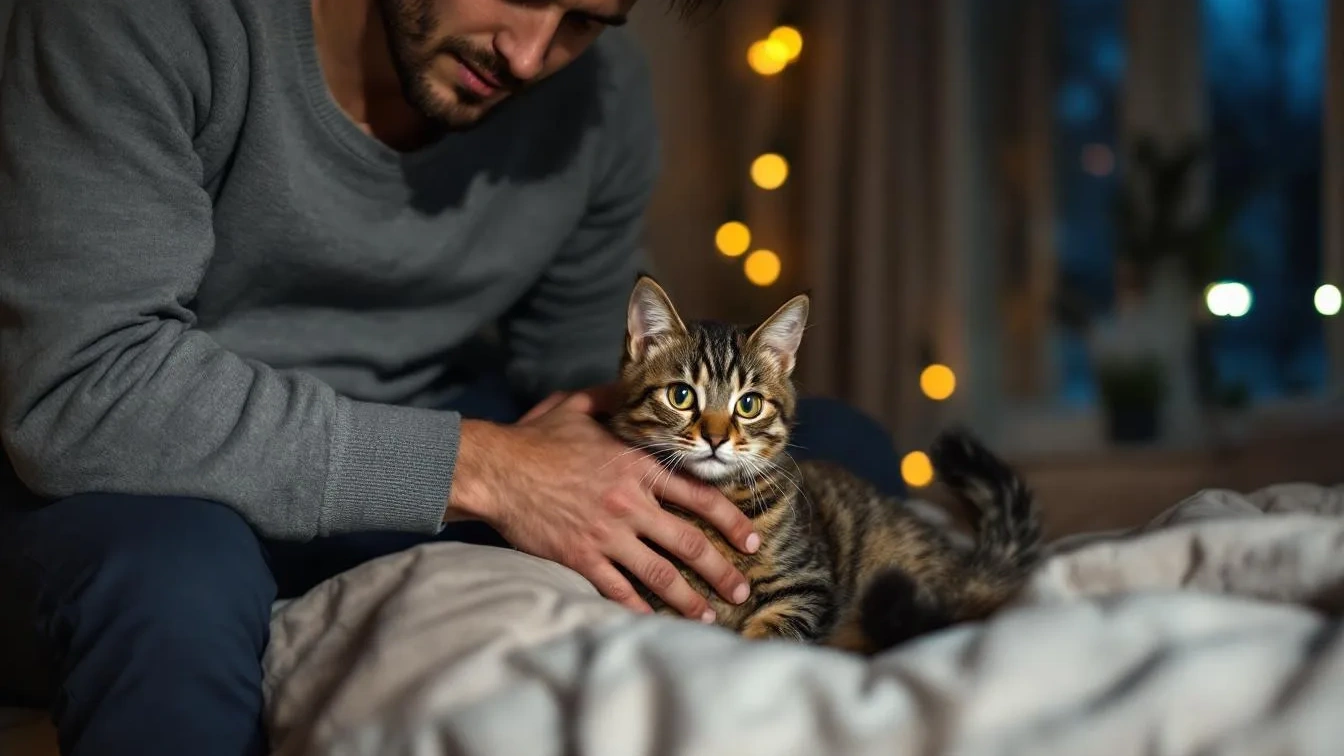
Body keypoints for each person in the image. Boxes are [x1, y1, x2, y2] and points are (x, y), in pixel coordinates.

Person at [0, 0, 908, 754]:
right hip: (132, 458)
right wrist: (493, 470)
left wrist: (610, 440)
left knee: (839, 453)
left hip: (431, 410)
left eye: (584, 19)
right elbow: (83, 386)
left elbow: (573, 361)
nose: (527, 54)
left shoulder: (599, 92)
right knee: (176, 590)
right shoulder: (134, 20)